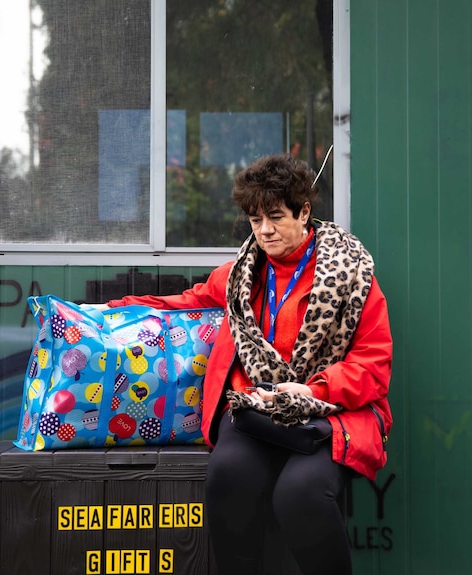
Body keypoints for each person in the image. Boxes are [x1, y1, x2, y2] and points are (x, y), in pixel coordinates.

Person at [105, 153, 393, 575]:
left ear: (305, 212)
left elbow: (373, 363)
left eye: (275, 217)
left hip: (330, 415)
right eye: (256, 220)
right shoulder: (240, 273)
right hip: (254, 411)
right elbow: (185, 303)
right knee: (227, 477)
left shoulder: (352, 276)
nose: (265, 230)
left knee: (300, 495)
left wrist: (314, 391)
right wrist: (109, 310)